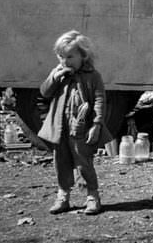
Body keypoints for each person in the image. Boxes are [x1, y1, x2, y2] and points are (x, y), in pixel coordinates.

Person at [38, 30, 113, 215]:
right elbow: (45, 93)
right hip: (61, 126)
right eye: (61, 56)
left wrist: (96, 124)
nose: (65, 61)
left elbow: (99, 100)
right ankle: (63, 195)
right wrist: (53, 79)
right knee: (61, 161)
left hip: (81, 128)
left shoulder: (92, 76)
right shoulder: (58, 74)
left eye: (70, 56)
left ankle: (92, 196)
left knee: (83, 161)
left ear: (83, 55)